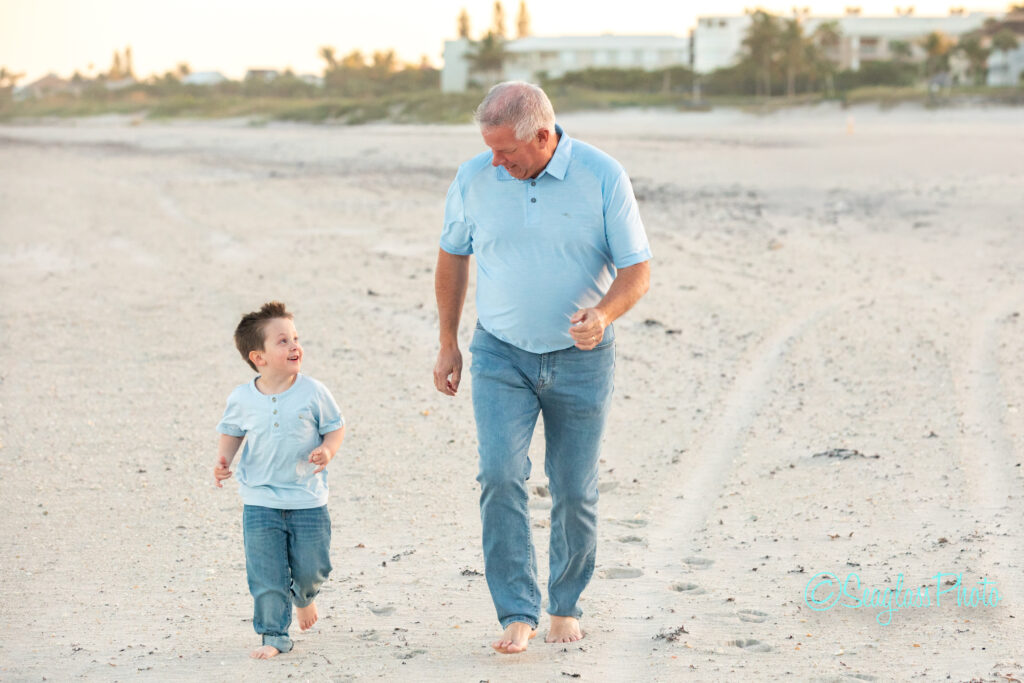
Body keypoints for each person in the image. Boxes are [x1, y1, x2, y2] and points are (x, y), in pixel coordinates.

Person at [432, 81, 652, 654]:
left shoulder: (603, 176)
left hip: (583, 359)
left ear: (544, 136)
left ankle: (565, 604)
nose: (497, 162)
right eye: (491, 150)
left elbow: (637, 271)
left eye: (507, 151)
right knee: (500, 475)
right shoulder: (475, 177)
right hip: (500, 352)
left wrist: (602, 316)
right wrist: (447, 342)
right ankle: (516, 611)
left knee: (574, 489)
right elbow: (453, 256)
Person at [214, 301, 345, 659]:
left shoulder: (313, 391)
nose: (294, 346)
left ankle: (305, 597)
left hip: (307, 498)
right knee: (266, 575)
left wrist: (328, 451)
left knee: (313, 568)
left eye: (296, 338)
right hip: (260, 499)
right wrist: (224, 460)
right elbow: (232, 431)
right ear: (259, 357)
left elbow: (335, 429)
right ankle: (273, 635)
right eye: (283, 341)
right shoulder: (242, 397)